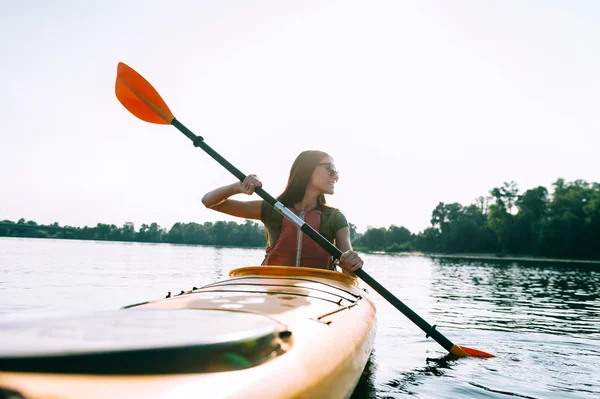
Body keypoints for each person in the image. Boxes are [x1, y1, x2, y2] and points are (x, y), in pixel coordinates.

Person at [201, 150, 364, 274]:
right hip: (274, 287)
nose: (335, 177)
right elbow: (209, 201)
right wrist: (237, 187)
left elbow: (347, 263)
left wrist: (351, 262)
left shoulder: (335, 218)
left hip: (318, 292)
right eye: (330, 169)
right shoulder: (272, 209)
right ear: (307, 170)